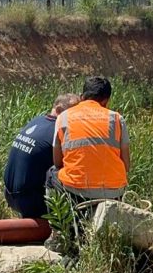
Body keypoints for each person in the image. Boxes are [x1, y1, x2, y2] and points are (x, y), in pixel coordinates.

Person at [48, 76, 131, 207]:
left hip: (75, 191)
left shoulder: (63, 117)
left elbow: (57, 161)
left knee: (51, 173)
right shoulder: (116, 119)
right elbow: (126, 165)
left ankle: (58, 224)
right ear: (106, 101)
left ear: (81, 97)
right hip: (114, 192)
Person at [2, 93, 80, 218]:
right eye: (73, 112)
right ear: (59, 110)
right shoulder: (59, 130)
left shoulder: (37, 121)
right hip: (29, 202)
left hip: (9, 195)